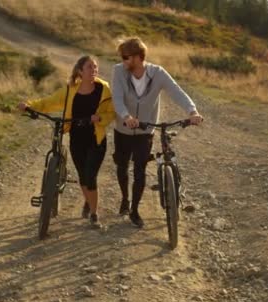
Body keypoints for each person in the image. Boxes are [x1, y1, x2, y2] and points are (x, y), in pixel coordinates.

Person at [111, 37, 203, 228]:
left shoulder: (157, 73)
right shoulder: (118, 71)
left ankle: (134, 210)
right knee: (121, 166)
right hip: (123, 128)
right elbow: (117, 98)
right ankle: (124, 199)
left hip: (146, 129)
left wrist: (192, 111)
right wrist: (126, 117)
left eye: (126, 57)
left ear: (138, 57)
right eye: (122, 57)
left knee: (140, 170)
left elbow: (176, 91)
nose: (123, 60)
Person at [18, 55, 115, 228]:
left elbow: (112, 113)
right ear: (80, 71)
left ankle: (94, 214)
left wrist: (100, 117)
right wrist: (30, 105)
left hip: (96, 139)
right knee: (83, 178)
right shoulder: (71, 89)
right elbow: (50, 102)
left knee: (90, 176)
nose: (94, 70)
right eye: (90, 67)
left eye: (95, 67)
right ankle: (88, 200)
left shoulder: (104, 89)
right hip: (76, 138)